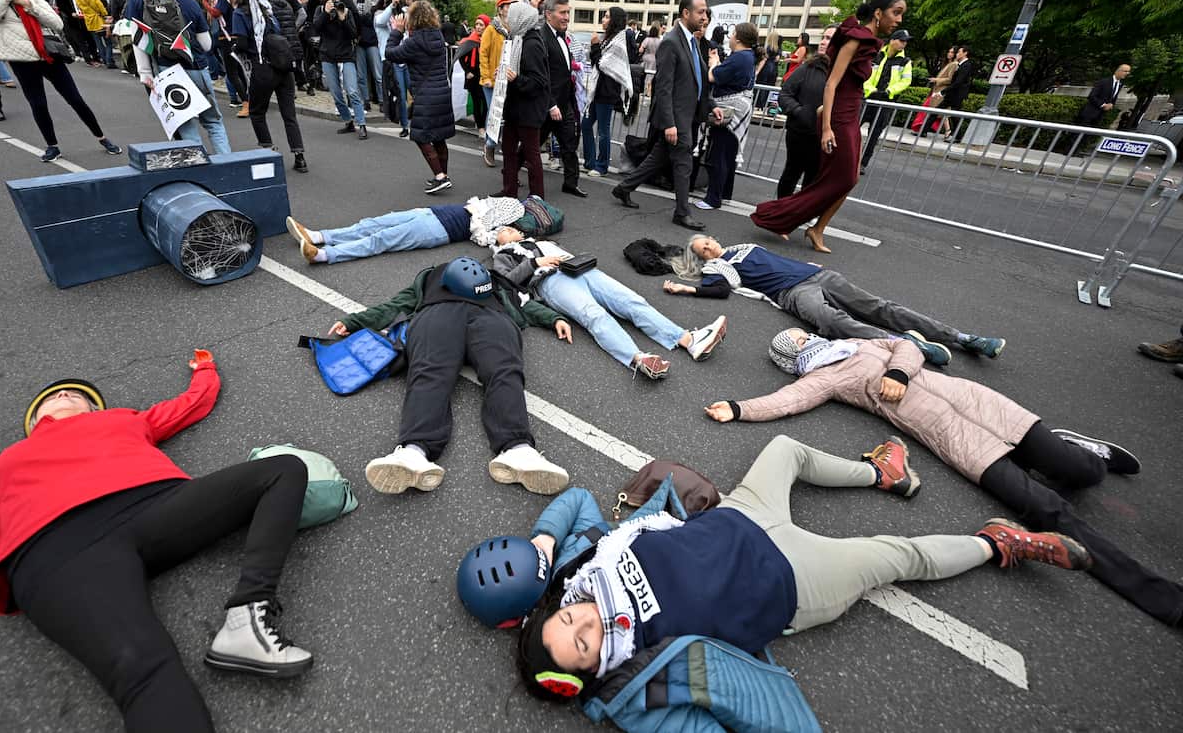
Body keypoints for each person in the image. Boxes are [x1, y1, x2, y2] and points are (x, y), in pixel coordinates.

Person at [0, 350, 318, 731]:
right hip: (56, 547)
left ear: (94, 408)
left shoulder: (124, 419)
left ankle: (247, 617)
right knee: (145, 671)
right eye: (52, 396)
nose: (64, 393)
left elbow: (193, 402)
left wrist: (205, 367)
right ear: (33, 423)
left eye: (76, 394)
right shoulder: (5, 462)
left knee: (283, 469)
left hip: (155, 506)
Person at [512, 433, 1091, 704]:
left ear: (556, 611)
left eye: (568, 626)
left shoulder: (578, 572)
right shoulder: (634, 675)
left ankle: (881, 473)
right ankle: (1000, 543)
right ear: (593, 670)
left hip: (741, 516)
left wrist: (541, 544)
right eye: (584, 647)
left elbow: (580, 501)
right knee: (895, 555)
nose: (585, 629)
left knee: (786, 447)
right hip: (791, 580)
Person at [705, 326, 1182, 629]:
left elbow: (907, 346)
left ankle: (1083, 451)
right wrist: (740, 408)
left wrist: (898, 371)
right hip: (954, 438)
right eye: (800, 343)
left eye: (805, 335)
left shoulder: (864, 344)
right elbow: (788, 401)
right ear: (796, 357)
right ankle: (1161, 598)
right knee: (1045, 509)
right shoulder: (826, 378)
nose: (809, 339)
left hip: (981, 404)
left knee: (1081, 472)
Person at [325, 258, 574, 495]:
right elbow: (396, 304)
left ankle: (517, 449)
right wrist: (356, 321)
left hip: (477, 317)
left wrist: (554, 318)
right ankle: (413, 451)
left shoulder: (494, 280)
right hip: (447, 314)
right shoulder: (429, 278)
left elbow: (523, 304)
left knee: (497, 371)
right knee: (436, 371)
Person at [662, 234, 1005, 365]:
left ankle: (965, 338)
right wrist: (686, 288)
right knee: (832, 322)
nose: (709, 246)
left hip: (817, 275)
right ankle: (905, 344)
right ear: (703, 259)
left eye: (706, 240)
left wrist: (807, 263)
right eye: (701, 250)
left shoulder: (741, 246)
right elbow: (719, 290)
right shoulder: (719, 267)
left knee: (881, 308)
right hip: (794, 293)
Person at [749, 0, 905, 253]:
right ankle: (780, 216)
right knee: (842, 179)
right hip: (841, 116)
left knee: (850, 178)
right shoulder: (856, 38)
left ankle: (817, 228)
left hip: (851, 114)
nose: (899, 19)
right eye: (896, 12)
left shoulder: (869, 41)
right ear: (878, 13)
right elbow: (831, 84)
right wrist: (827, 128)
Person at [491, 226, 727, 378]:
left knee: (632, 301)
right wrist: (535, 264)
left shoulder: (540, 238)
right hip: (550, 282)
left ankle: (688, 340)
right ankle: (638, 358)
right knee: (593, 314)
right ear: (497, 240)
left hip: (580, 269)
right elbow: (506, 280)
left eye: (512, 228)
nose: (508, 229)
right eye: (503, 230)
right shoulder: (503, 255)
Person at [0, 0, 121, 163]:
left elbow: (56, 22)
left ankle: (102, 137)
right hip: (20, 57)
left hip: (47, 52)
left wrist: (29, 6)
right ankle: (52, 146)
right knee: (38, 104)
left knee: (75, 99)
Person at [612, 0, 723, 231]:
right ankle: (682, 212)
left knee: (658, 158)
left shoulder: (693, 42)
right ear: (686, 13)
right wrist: (670, 124)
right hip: (677, 118)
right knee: (684, 164)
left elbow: (697, 81)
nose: (705, 17)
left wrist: (712, 105)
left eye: (705, 12)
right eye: (700, 12)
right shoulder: (671, 42)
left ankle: (624, 188)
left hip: (688, 115)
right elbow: (663, 87)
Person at [125, 0, 231, 156]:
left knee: (187, 127)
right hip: (196, 68)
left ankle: (199, 172)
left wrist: (145, 73)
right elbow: (206, 44)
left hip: (167, 71)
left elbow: (137, 37)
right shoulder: (188, 2)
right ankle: (227, 167)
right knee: (213, 122)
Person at [284, 194, 527, 265]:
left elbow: (489, 239)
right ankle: (318, 236)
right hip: (430, 212)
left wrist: (514, 236)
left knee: (380, 239)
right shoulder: (497, 206)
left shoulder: (507, 226)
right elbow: (478, 205)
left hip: (438, 228)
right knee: (372, 223)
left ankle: (324, 254)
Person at [232, 0, 307, 171]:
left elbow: (240, 42)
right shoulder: (267, 9)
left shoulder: (240, 13)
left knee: (257, 111)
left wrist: (235, 47)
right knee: (289, 113)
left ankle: (268, 150)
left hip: (262, 67)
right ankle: (299, 156)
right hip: (283, 66)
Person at [386, 0, 457, 193]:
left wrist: (396, 31)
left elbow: (390, 53)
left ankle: (440, 176)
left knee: (420, 136)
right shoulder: (438, 36)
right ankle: (444, 174)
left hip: (425, 95)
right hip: (442, 93)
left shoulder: (414, 42)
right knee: (439, 137)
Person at [695, 22, 758, 212]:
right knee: (728, 155)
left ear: (738, 38)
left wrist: (713, 63)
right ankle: (724, 193)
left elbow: (713, 76)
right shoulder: (747, 57)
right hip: (739, 108)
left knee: (719, 154)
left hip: (729, 109)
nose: (729, 37)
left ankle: (713, 198)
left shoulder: (740, 58)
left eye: (732, 34)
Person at [497, 0, 550, 199]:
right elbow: (514, 70)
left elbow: (539, 81)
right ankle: (509, 193)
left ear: (520, 19)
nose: (507, 20)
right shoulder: (518, 38)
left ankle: (537, 199)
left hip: (528, 110)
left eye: (511, 17)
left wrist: (516, 78)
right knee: (509, 150)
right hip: (516, 108)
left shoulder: (532, 43)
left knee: (531, 155)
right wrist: (503, 73)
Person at [536, 0, 587, 199]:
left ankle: (570, 183)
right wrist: (551, 104)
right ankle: (511, 173)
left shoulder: (563, 37)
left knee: (569, 143)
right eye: (562, 12)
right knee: (534, 143)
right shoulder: (541, 38)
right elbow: (541, 75)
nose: (567, 17)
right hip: (547, 105)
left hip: (564, 103)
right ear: (548, 14)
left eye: (568, 12)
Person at [776, 25, 836, 197]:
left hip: (825, 137)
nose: (824, 42)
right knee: (791, 173)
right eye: (823, 37)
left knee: (814, 177)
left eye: (829, 39)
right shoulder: (808, 68)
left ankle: (802, 212)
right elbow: (785, 93)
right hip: (799, 133)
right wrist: (799, 111)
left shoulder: (845, 74)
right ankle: (781, 211)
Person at [580, 6, 635, 177]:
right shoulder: (607, 38)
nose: (603, 20)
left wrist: (595, 46)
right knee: (586, 125)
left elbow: (603, 64)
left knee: (603, 131)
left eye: (606, 17)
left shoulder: (619, 40)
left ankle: (602, 165)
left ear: (614, 20)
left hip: (607, 92)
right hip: (597, 90)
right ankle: (590, 162)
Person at [314, 0, 367, 139]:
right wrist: (325, 12)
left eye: (338, 1)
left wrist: (343, 19)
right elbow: (316, 28)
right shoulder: (320, 11)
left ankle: (361, 124)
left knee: (352, 91)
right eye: (333, 2)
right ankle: (348, 121)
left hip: (346, 54)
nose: (336, 4)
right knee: (336, 94)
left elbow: (353, 34)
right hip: (327, 55)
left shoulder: (346, 12)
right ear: (325, 1)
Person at [858, 29, 913, 173]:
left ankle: (862, 163)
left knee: (874, 135)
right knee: (851, 129)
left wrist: (890, 91)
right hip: (868, 98)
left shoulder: (905, 61)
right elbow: (865, 73)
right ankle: (842, 158)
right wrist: (869, 88)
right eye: (902, 40)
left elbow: (906, 81)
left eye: (906, 41)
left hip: (886, 101)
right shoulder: (876, 54)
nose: (904, 44)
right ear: (892, 40)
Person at [479, 0, 513, 166]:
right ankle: (490, 145)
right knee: (495, 114)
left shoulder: (512, 29)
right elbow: (483, 53)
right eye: (507, 6)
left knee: (502, 115)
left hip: (506, 79)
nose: (509, 9)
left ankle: (492, 143)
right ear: (500, 10)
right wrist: (485, 77)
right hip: (491, 81)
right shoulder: (491, 29)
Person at [208, 0, 247, 115]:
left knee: (232, 73)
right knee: (238, 72)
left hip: (227, 38)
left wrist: (206, 4)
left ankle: (246, 102)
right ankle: (247, 99)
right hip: (231, 37)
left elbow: (216, 13)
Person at [261, 0, 306, 94]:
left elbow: (302, 14)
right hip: (290, 40)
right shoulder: (285, 2)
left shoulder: (275, 1)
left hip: (281, 40)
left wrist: (294, 28)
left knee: (287, 67)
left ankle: (296, 86)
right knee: (290, 67)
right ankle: (293, 89)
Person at [374, 0, 409, 136]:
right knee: (400, 94)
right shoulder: (378, 15)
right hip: (391, 60)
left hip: (405, 58)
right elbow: (381, 21)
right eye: (388, 0)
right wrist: (391, 5)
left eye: (393, 0)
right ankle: (405, 126)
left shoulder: (400, 15)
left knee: (414, 90)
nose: (392, 2)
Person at [456, 15, 491, 136]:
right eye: (477, 24)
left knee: (486, 102)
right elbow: (460, 57)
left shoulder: (489, 40)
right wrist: (467, 71)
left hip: (485, 74)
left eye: (481, 25)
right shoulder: (469, 40)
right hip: (473, 76)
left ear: (486, 26)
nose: (478, 27)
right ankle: (481, 127)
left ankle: (485, 125)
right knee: (477, 102)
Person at [352, 0, 383, 109]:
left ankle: (382, 100)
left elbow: (371, 17)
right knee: (361, 75)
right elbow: (352, 18)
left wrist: (360, 17)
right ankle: (365, 100)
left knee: (378, 74)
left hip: (371, 40)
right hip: (359, 41)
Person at [913, 46, 957, 139]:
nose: (949, 54)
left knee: (941, 111)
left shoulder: (953, 64)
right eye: (949, 52)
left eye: (952, 52)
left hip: (942, 91)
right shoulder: (948, 64)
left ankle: (947, 132)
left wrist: (936, 80)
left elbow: (950, 79)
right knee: (938, 112)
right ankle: (926, 129)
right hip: (937, 90)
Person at [939, 45, 974, 140]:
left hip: (957, 95)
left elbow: (958, 82)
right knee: (937, 111)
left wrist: (944, 91)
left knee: (954, 115)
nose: (957, 54)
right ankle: (924, 130)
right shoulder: (960, 64)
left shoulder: (966, 65)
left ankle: (957, 136)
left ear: (965, 53)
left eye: (959, 52)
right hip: (952, 94)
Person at [75, 0, 111, 68]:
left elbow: (80, 9)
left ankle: (104, 60)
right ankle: (109, 60)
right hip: (99, 21)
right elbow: (102, 10)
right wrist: (105, 15)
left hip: (89, 22)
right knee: (108, 42)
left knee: (98, 43)